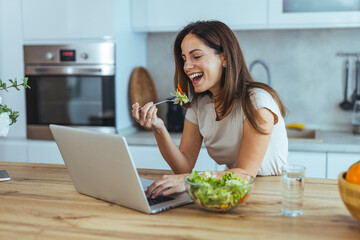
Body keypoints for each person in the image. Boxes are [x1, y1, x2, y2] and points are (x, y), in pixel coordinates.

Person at [132, 20, 288, 199]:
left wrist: (189, 180)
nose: (187, 67)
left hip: (271, 195)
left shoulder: (258, 103)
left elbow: (245, 175)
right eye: (184, 59)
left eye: (196, 57)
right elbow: (183, 167)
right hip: (229, 193)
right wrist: (158, 128)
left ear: (225, 58)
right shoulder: (200, 106)